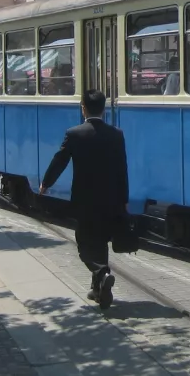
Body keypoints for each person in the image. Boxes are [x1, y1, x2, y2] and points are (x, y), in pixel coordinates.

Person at [39, 90, 129, 309]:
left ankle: (101, 272)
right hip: (111, 199)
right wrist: (124, 199)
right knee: (101, 241)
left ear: (83, 108)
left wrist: (46, 183)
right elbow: (121, 169)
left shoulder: (75, 133)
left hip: (85, 199)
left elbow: (59, 161)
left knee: (84, 243)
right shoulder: (116, 134)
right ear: (104, 108)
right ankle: (98, 290)